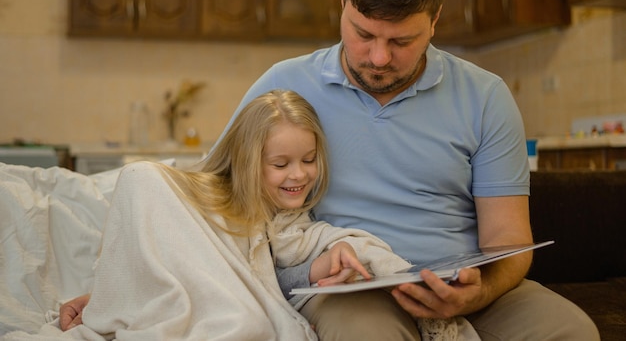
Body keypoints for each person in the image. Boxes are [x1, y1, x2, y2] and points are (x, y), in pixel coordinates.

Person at [60, 0, 599, 340]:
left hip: (463, 287)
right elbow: (210, 204)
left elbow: (508, 241)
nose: (378, 57)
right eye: (363, 33)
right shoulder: (283, 87)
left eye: (401, 40)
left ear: (435, 20)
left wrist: (478, 293)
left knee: (575, 331)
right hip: (346, 289)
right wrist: (118, 286)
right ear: (341, 5)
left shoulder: (485, 97)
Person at [54, 90, 414, 340]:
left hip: (241, 312)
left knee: (248, 320)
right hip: (209, 308)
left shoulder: (290, 223)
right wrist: (107, 298)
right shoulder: (206, 202)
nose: (299, 175)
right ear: (247, 163)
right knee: (142, 175)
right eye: (280, 164)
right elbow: (161, 262)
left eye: (308, 160)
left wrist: (321, 267)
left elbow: (264, 280)